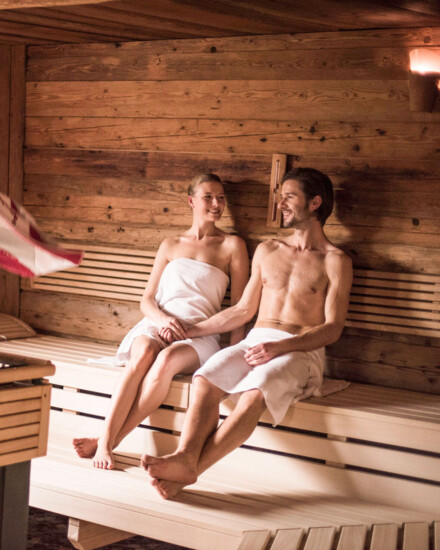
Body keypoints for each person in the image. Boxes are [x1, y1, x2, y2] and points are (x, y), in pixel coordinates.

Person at [142, 167, 353, 499]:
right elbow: (242, 311)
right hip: (258, 340)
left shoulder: (335, 261)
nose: (280, 204)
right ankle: (183, 457)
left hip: (300, 350)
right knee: (205, 378)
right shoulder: (268, 250)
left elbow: (332, 328)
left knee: (257, 390)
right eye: (279, 196)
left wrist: (283, 347)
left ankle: (190, 472)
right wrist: (192, 331)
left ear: (315, 203)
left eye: (289, 197)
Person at [72, 173, 249, 470]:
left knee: (165, 361)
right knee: (143, 353)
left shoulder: (232, 245)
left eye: (221, 198)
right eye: (208, 197)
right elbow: (147, 300)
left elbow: (240, 309)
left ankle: (109, 442)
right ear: (192, 201)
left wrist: (235, 355)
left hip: (199, 334)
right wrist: (164, 320)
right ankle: (104, 441)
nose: (217, 204)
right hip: (159, 323)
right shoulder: (170, 244)